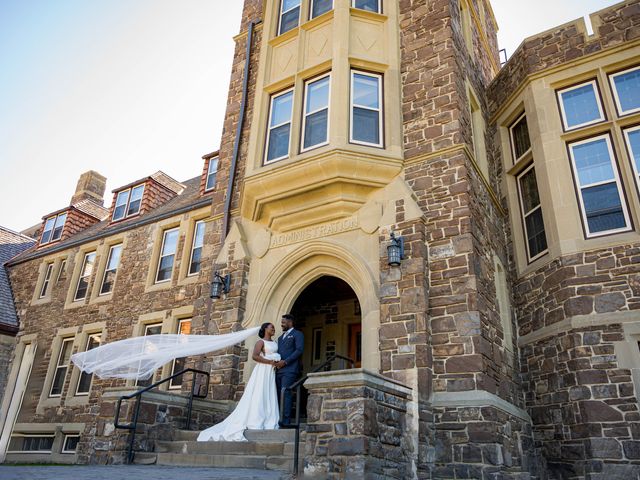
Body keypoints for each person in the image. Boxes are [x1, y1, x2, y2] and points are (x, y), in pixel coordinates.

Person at [197, 322, 280, 442]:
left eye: (273, 327)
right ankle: (256, 419)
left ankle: (269, 419)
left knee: (269, 394)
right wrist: (271, 362)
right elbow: (255, 356)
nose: (273, 329)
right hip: (263, 370)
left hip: (270, 371)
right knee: (260, 393)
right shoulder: (260, 342)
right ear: (265, 329)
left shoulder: (274, 343)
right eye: (271, 327)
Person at [275, 314, 304, 425]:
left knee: (285, 393)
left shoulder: (298, 334)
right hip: (279, 370)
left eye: (283, 322)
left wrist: (286, 361)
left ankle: (285, 421)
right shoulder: (280, 338)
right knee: (278, 394)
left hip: (290, 369)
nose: (281, 324)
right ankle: (278, 419)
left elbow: (299, 350)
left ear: (290, 322)